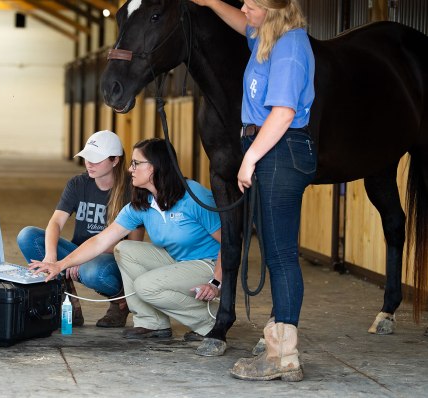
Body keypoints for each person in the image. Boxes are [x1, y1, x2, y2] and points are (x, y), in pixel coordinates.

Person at [192, 0, 316, 382]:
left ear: (273, 9)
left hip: (279, 150)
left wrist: (250, 159)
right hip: (268, 149)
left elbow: (283, 112)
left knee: (279, 255)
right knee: (277, 253)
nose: (243, 7)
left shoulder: (291, 47)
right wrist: (213, 2)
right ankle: (282, 352)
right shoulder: (267, 37)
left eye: (251, 3)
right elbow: (239, 23)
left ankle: (284, 356)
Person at [30, 138, 222, 341]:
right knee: (124, 248)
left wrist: (216, 282)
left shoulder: (193, 195)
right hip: (178, 260)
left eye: (136, 163)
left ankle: (211, 322)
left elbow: (230, 242)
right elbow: (101, 241)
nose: (130, 169)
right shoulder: (143, 202)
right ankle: (151, 322)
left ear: (156, 167)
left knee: (145, 286)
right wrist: (60, 265)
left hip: (209, 263)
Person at [17, 130, 144, 328]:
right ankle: (68, 303)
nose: (89, 164)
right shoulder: (78, 183)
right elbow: (56, 222)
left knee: (92, 271)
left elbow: (134, 245)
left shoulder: (132, 189)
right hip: (78, 254)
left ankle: (120, 302)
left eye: (96, 159)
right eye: (87, 158)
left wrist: (78, 258)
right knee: (28, 236)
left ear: (115, 161)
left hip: (111, 260)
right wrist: (51, 257)